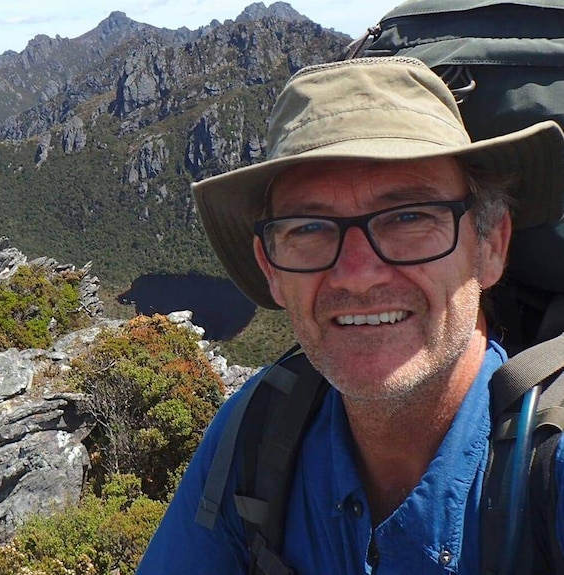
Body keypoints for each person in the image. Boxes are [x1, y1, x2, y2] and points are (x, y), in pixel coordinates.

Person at [136, 56, 564, 573]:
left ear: (491, 245)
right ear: (270, 267)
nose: (358, 275)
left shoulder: (547, 469)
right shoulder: (255, 436)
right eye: (309, 228)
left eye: (409, 217)